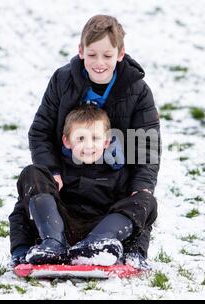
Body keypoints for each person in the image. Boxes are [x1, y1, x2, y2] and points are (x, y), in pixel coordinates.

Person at [9, 14, 160, 268]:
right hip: (65, 200)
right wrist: (53, 171)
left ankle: (97, 245)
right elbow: (40, 131)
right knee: (31, 178)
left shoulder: (137, 91)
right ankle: (52, 243)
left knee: (146, 200)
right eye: (92, 55)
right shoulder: (62, 80)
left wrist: (140, 186)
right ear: (81, 51)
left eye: (107, 55)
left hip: (108, 202)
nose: (99, 63)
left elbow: (145, 146)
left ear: (120, 54)